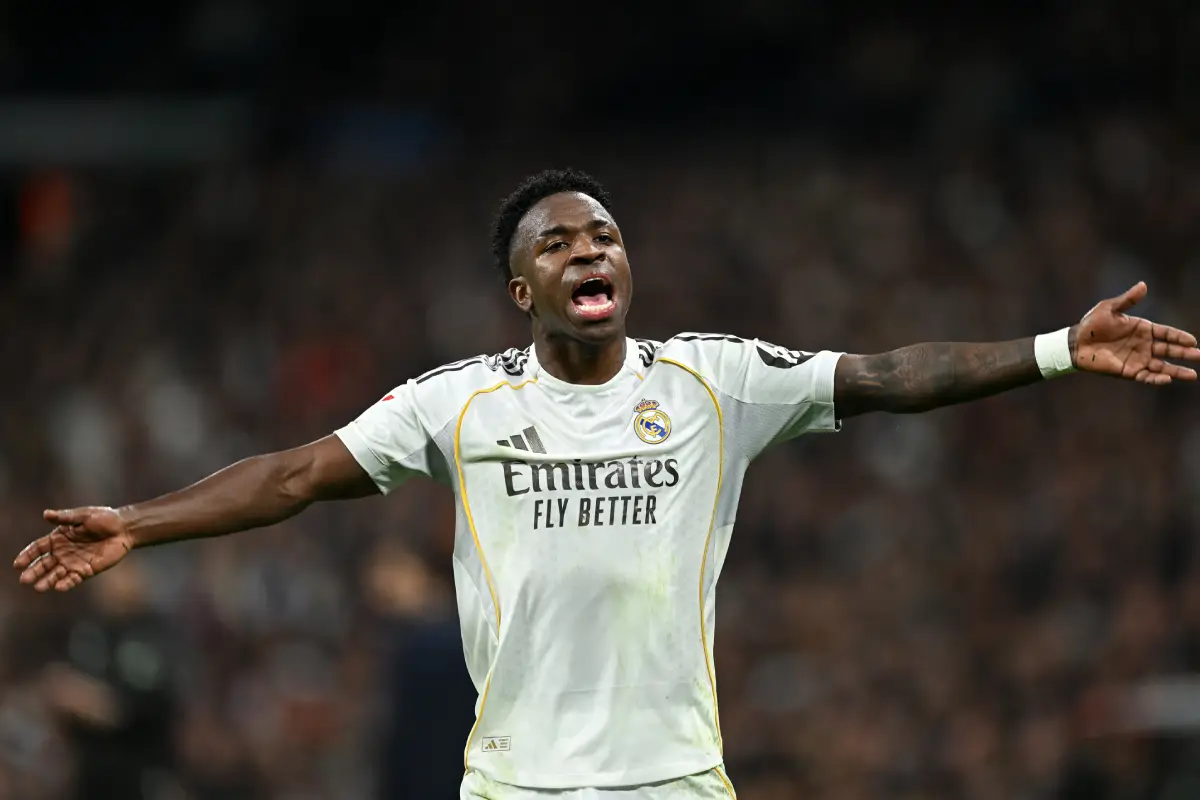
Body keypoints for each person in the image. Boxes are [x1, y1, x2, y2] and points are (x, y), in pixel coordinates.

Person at [14, 169, 1200, 800]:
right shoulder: (460, 399)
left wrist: (1055, 348)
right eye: (559, 241)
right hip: (519, 782)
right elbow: (290, 475)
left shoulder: (717, 379)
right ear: (522, 290)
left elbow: (890, 373)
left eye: (607, 234)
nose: (591, 248)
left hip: (675, 777)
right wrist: (140, 520)